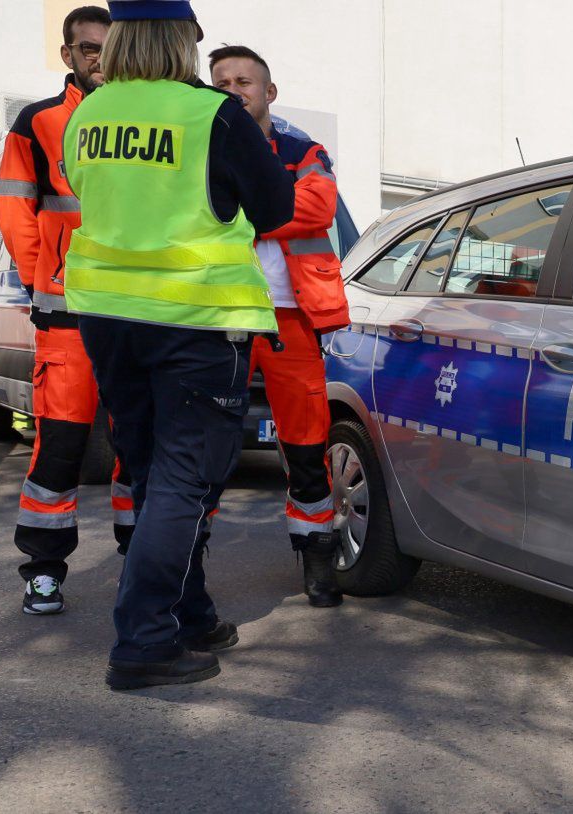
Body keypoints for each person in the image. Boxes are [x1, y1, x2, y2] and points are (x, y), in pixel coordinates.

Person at [62, 0, 295, 689]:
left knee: (154, 474)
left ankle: (189, 615)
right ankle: (142, 642)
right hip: (196, 319)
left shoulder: (88, 113)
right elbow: (276, 207)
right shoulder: (210, 114)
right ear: (182, 41)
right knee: (184, 481)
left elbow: (85, 189)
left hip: (108, 317)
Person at [0, 5, 134, 616]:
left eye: (108, 47)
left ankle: (142, 560)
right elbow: (15, 211)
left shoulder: (147, 116)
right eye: (86, 49)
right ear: (68, 56)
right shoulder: (38, 122)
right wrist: (42, 280)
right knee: (60, 445)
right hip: (67, 311)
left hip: (135, 309)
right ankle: (44, 570)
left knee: (140, 441)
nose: (98, 58)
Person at [210, 45, 350, 607]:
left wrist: (242, 211)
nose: (232, 88)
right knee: (205, 446)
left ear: (270, 93)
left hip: (289, 317)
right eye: (220, 81)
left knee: (306, 440)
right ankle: (186, 567)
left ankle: (317, 561)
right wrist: (271, 207)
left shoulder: (302, 150)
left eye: (245, 80)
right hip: (218, 317)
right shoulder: (199, 149)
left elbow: (316, 209)